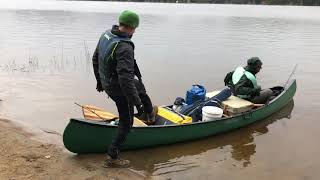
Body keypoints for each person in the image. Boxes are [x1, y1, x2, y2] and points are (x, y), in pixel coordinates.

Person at [92, 10, 155, 167]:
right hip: (118, 89)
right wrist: (137, 104)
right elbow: (125, 80)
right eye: (135, 29)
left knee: (139, 86)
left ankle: (150, 113)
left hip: (108, 83)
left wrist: (100, 82)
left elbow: (95, 58)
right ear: (132, 27)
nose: (135, 32)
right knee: (127, 122)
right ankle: (112, 157)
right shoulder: (124, 47)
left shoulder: (107, 34)